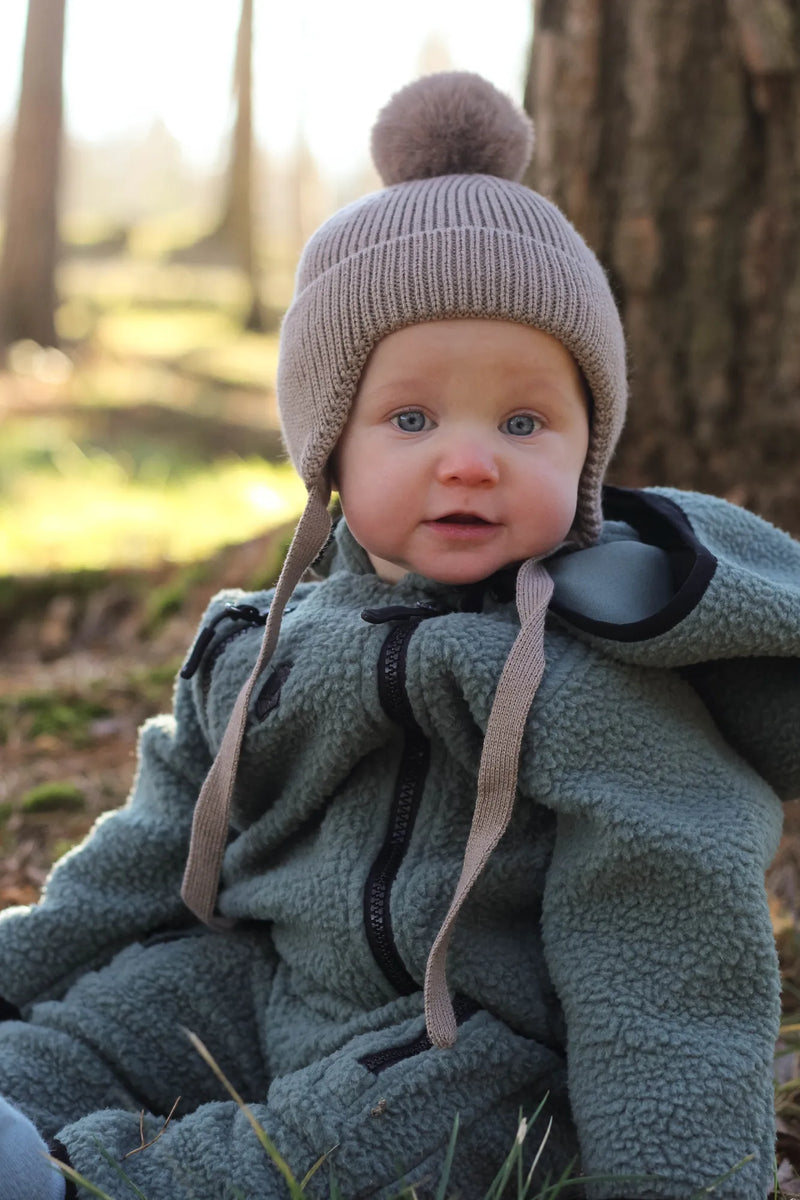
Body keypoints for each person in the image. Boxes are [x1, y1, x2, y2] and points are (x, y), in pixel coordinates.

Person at [0, 71, 798, 1200]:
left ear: (587, 444)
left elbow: (666, 953)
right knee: (105, 1017)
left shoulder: (595, 674)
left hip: (471, 1045)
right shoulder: (258, 647)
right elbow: (146, 847)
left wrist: (683, 1181)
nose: (467, 460)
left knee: (372, 1137)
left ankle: (87, 1185)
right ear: (328, 449)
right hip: (265, 981)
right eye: (411, 418)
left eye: (523, 421)